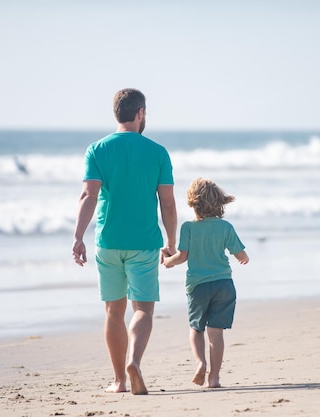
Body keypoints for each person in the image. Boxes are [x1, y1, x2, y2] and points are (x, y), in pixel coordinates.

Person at [72, 88, 178, 395]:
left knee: (113, 312)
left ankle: (119, 380)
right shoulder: (158, 152)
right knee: (143, 309)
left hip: (108, 240)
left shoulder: (97, 149)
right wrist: (171, 242)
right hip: (144, 242)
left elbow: (88, 195)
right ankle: (134, 361)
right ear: (141, 113)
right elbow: (168, 203)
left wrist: (78, 237)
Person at [162, 178, 249, 388]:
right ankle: (214, 377)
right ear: (219, 203)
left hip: (198, 286)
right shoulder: (225, 227)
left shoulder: (189, 228)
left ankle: (200, 363)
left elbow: (182, 257)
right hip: (224, 285)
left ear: (193, 203)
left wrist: (167, 262)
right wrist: (242, 258)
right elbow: (241, 254)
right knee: (216, 332)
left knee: (196, 328)